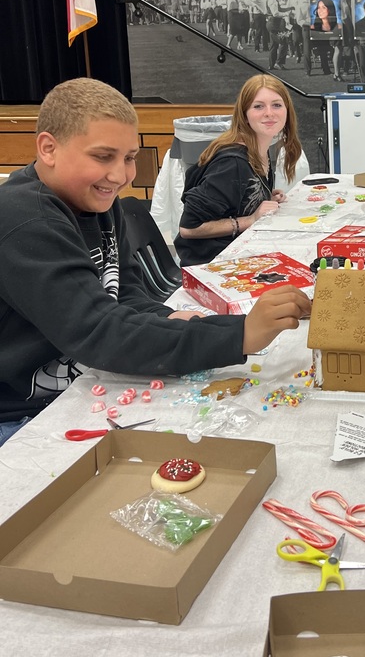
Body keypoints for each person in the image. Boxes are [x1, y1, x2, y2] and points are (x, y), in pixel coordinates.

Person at [0, 79, 310, 445]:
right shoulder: (26, 220)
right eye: (103, 157)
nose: (120, 176)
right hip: (26, 417)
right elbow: (100, 331)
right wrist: (239, 335)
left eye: (130, 158)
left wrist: (166, 318)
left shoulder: (98, 202)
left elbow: (125, 294)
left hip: (90, 382)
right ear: (49, 148)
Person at [175, 74, 302, 266]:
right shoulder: (233, 164)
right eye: (258, 106)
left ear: (287, 111)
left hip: (242, 252)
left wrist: (263, 198)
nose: (269, 113)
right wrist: (251, 219)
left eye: (276, 105)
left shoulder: (260, 149)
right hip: (213, 264)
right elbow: (189, 228)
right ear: (244, 114)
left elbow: (235, 201)